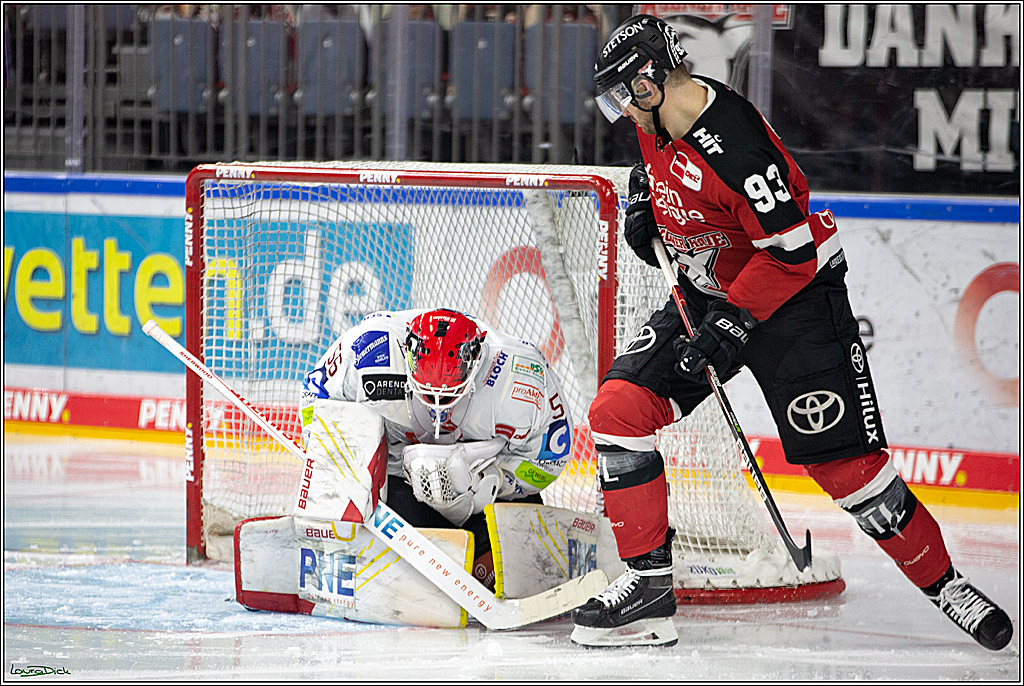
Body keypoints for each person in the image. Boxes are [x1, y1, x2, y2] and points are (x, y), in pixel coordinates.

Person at [571, 13, 1014, 650]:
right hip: (711, 294)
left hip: (795, 302)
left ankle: (947, 585)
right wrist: (648, 208)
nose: (621, 112)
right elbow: (667, 181)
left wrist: (733, 321)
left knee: (851, 476)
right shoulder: (658, 122)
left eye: (623, 95)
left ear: (647, 83)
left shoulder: (735, 142)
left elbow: (791, 252)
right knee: (617, 411)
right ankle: (649, 585)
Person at [300, 308, 573, 589]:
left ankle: (482, 546)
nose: (437, 407)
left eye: (450, 394)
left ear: (476, 362)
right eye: (426, 394)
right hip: (396, 487)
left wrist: (495, 480)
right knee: (419, 568)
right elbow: (314, 397)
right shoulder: (370, 347)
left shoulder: (521, 374)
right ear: (406, 354)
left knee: (507, 572)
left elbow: (552, 457)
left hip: (482, 495)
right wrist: (343, 462)